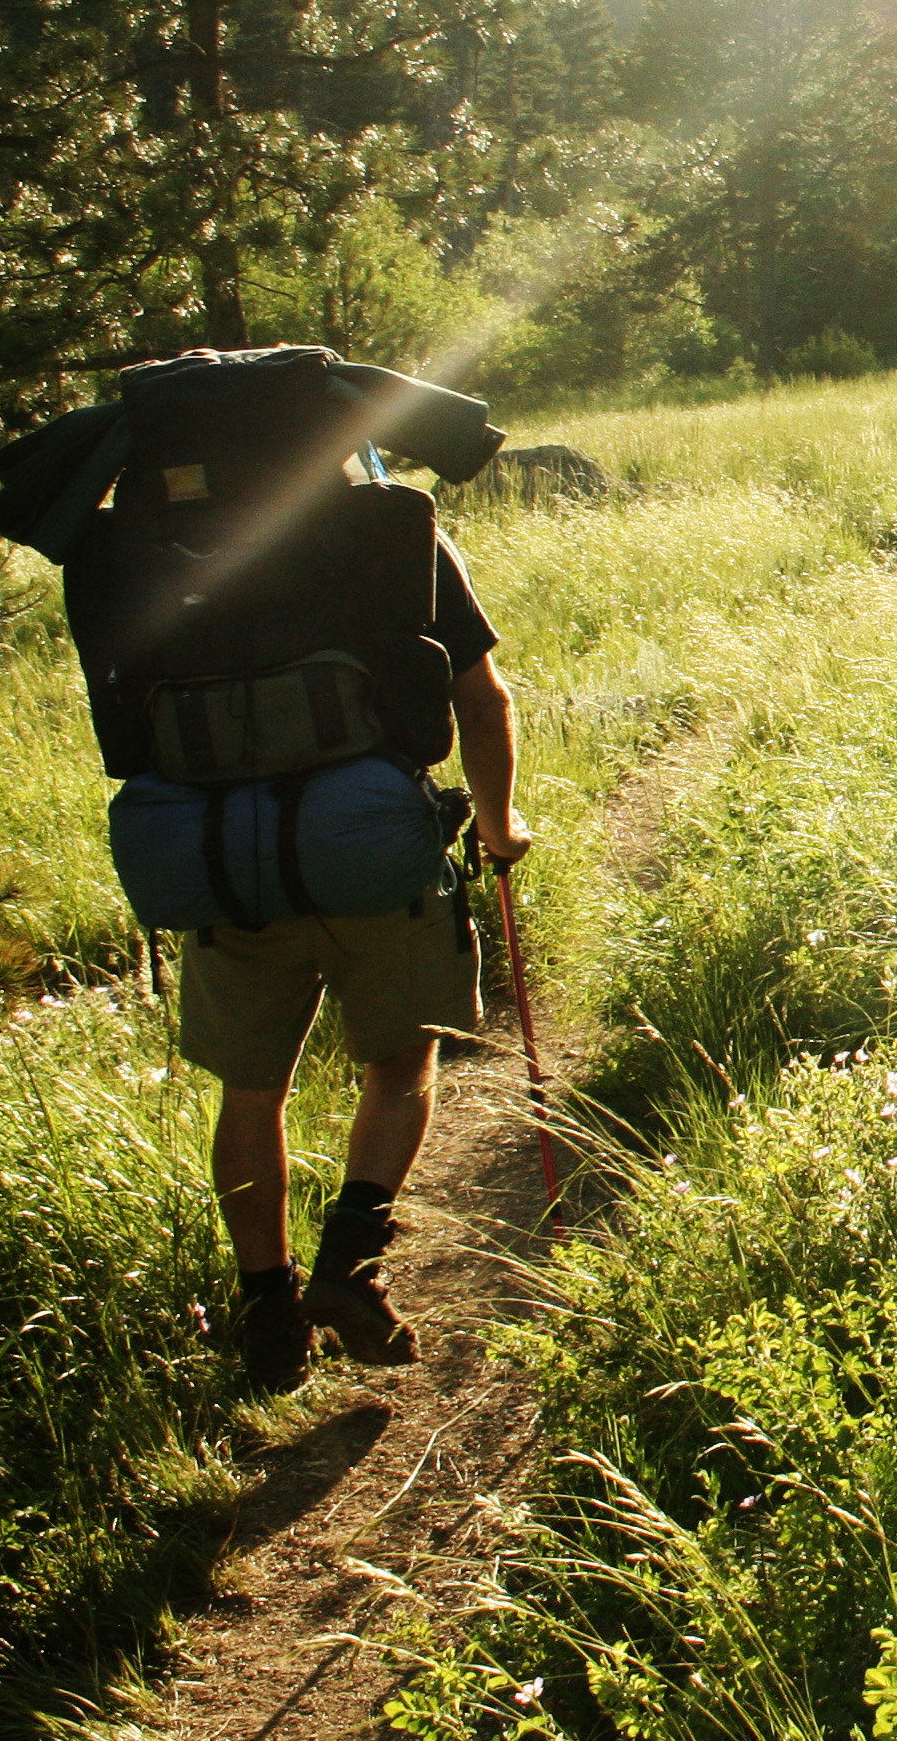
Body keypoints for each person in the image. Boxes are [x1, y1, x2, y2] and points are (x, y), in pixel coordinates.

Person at [181, 530, 533, 1391]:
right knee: (401, 1062)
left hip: (229, 861)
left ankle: (267, 1310)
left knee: (252, 1089)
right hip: (379, 855)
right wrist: (497, 830)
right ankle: (350, 1263)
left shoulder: (170, 548)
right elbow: (480, 702)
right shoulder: (399, 539)